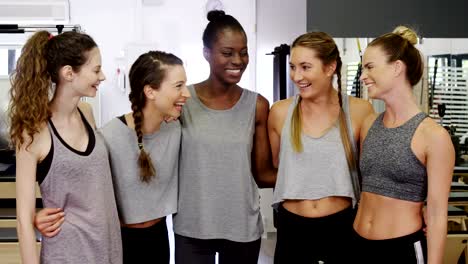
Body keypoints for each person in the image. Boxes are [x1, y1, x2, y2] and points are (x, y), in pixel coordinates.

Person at [172, 10, 276, 264]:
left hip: (241, 227)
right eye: (227, 53)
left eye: (243, 52)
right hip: (192, 227)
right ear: (207, 53)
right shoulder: (182, 102)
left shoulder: (258, 105)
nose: (238, 60)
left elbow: (262, 174)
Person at [11, 31, 122, 263]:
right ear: (69, 73)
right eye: (95, 69)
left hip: (107, 249)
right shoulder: (33, 133)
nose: (102, 76)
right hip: (67, 254)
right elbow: (23, 219)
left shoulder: (87, 113)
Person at [268, 31, 374, 263]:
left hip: (343, 227)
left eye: (306, 67)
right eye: (293, 67)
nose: (296, 76)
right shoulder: (279, 112)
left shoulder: (360, 110)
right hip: (292, 229)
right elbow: (276, 165)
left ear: (329, 68)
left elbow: (371, 176)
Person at [352, 26, 455, 263]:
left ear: (397, 67)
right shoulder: (369, 124)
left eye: (369, 67)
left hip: (401, 250)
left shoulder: (433, 136)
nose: (362, 76)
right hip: (357, 245)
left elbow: (438, 216)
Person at [101, 50, 190, 263]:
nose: (186, 93)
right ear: (150, 91)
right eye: (179, 86)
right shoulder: (108, 137)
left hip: (158, 238)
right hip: (118, 241)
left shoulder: (176, 129)